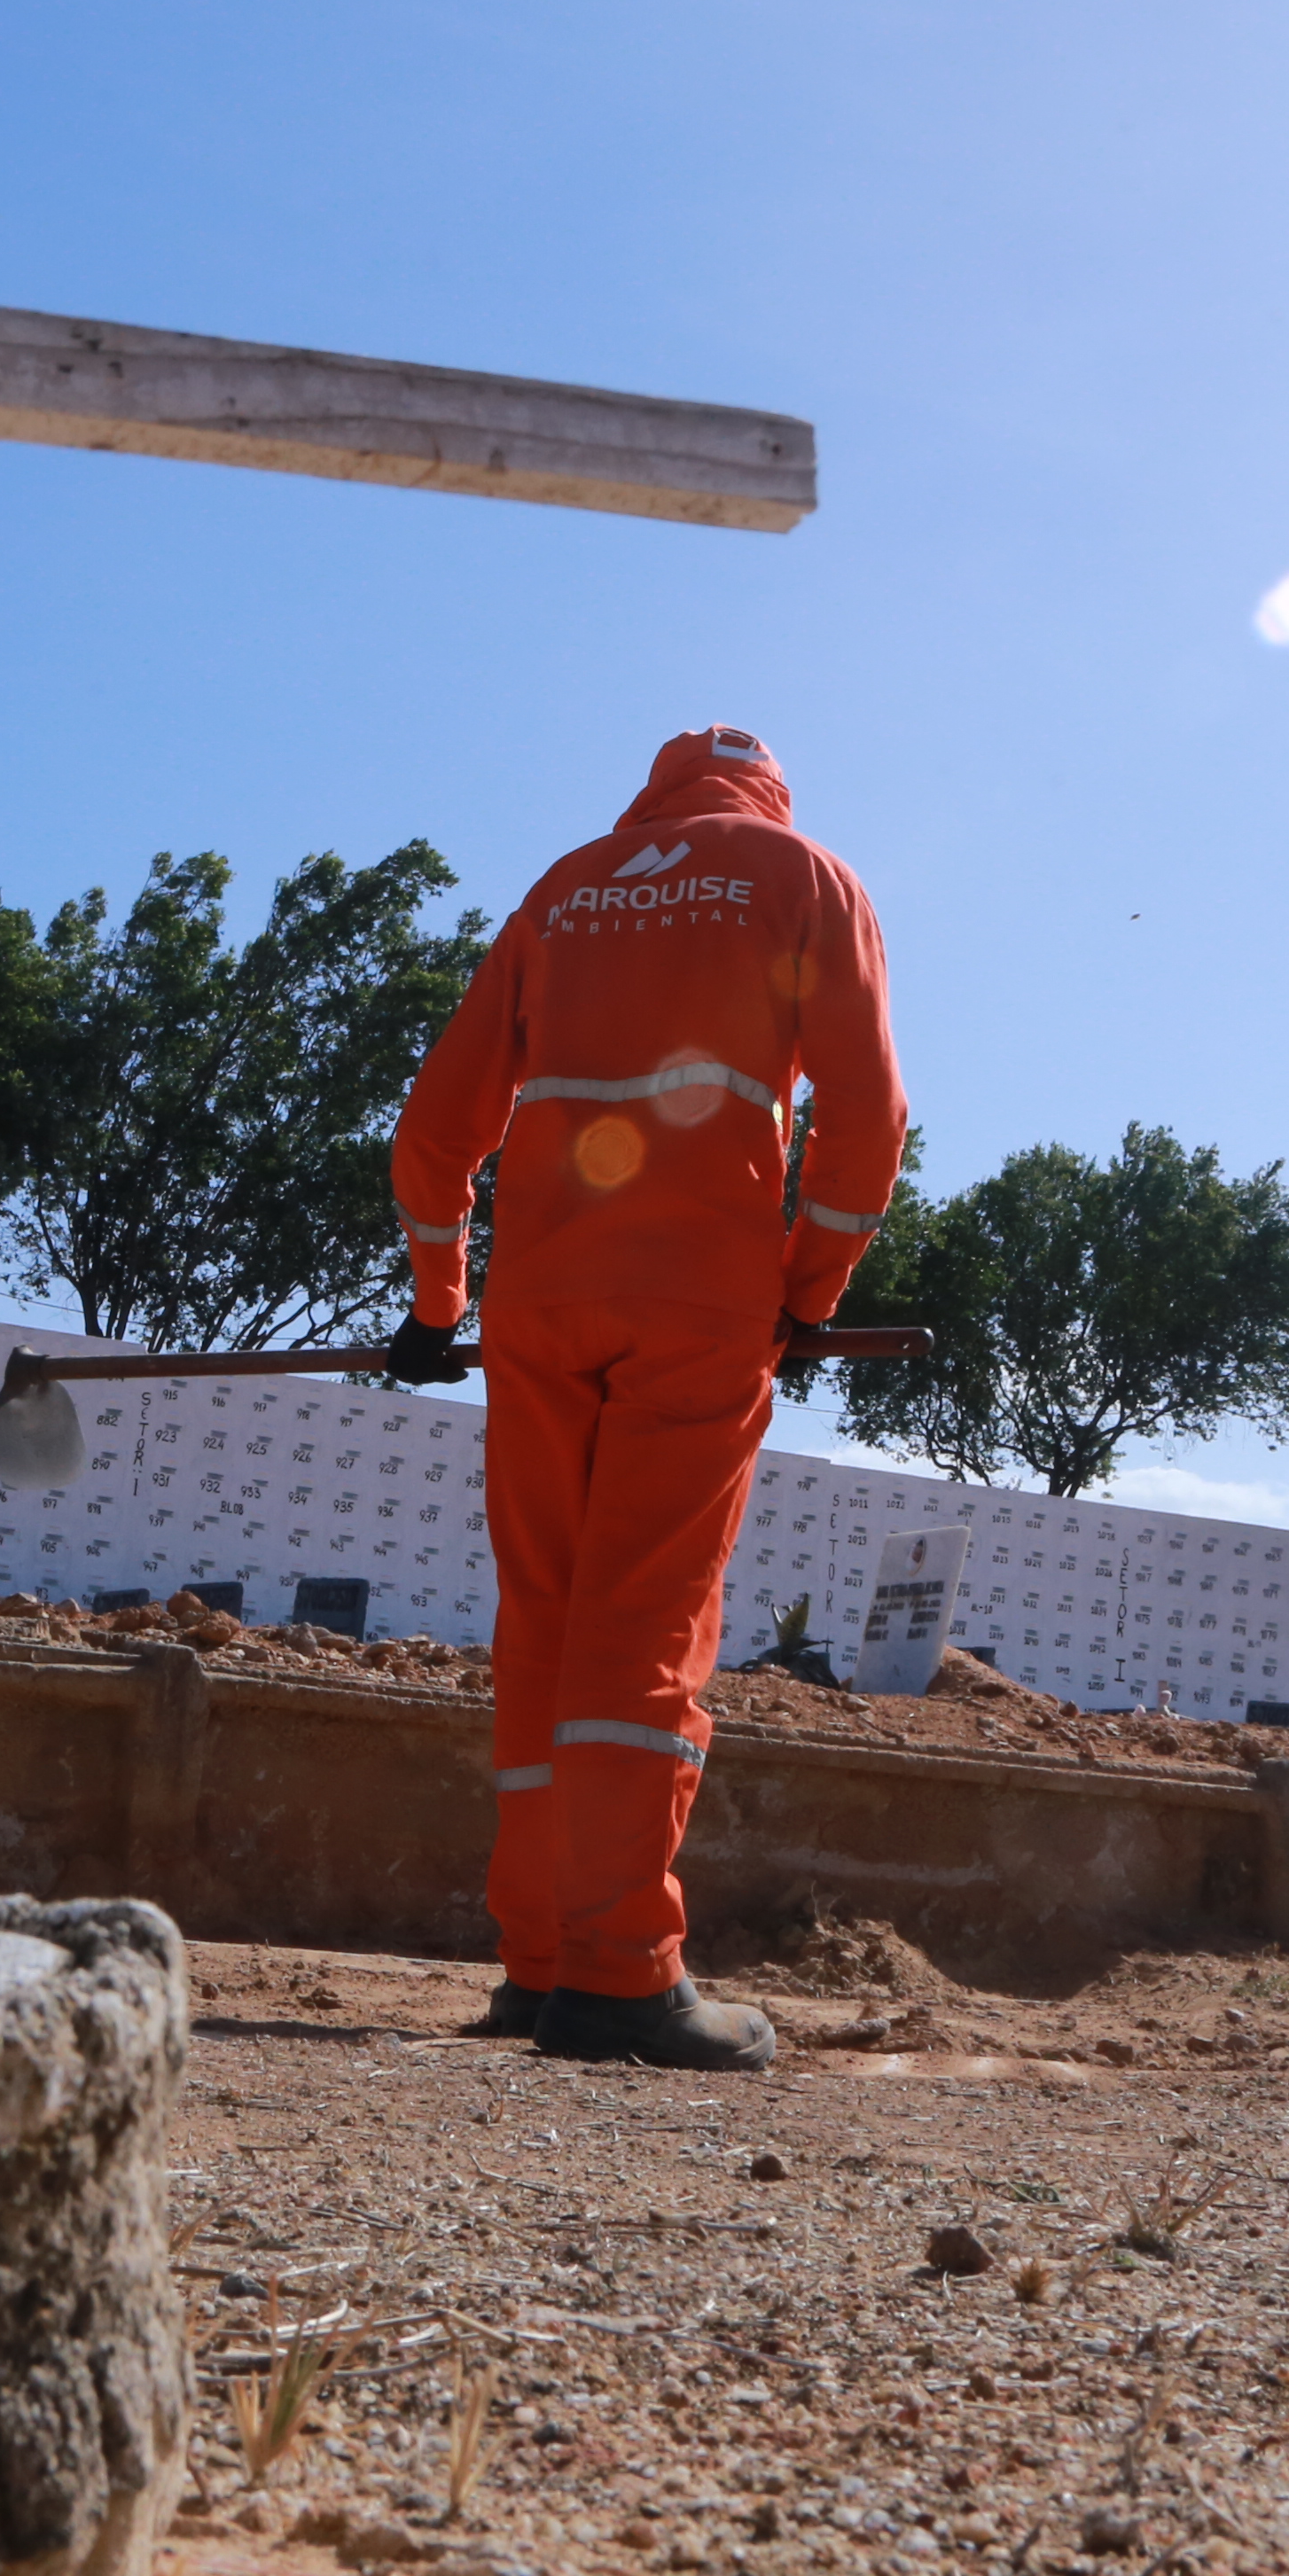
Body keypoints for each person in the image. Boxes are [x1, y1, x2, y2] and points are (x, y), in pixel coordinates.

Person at [385, 726, 906, 2070]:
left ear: (657, 792)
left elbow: (436, 1133)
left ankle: (541, 1961)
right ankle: (621, 1975)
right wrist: (812, 1291)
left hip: (538, 1304)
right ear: (769, 795)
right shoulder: (805, 878)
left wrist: (439, 1307)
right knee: (645, 1624)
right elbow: (866, 1113)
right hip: (699, 1300)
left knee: (547, 1624)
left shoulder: (566, 889)